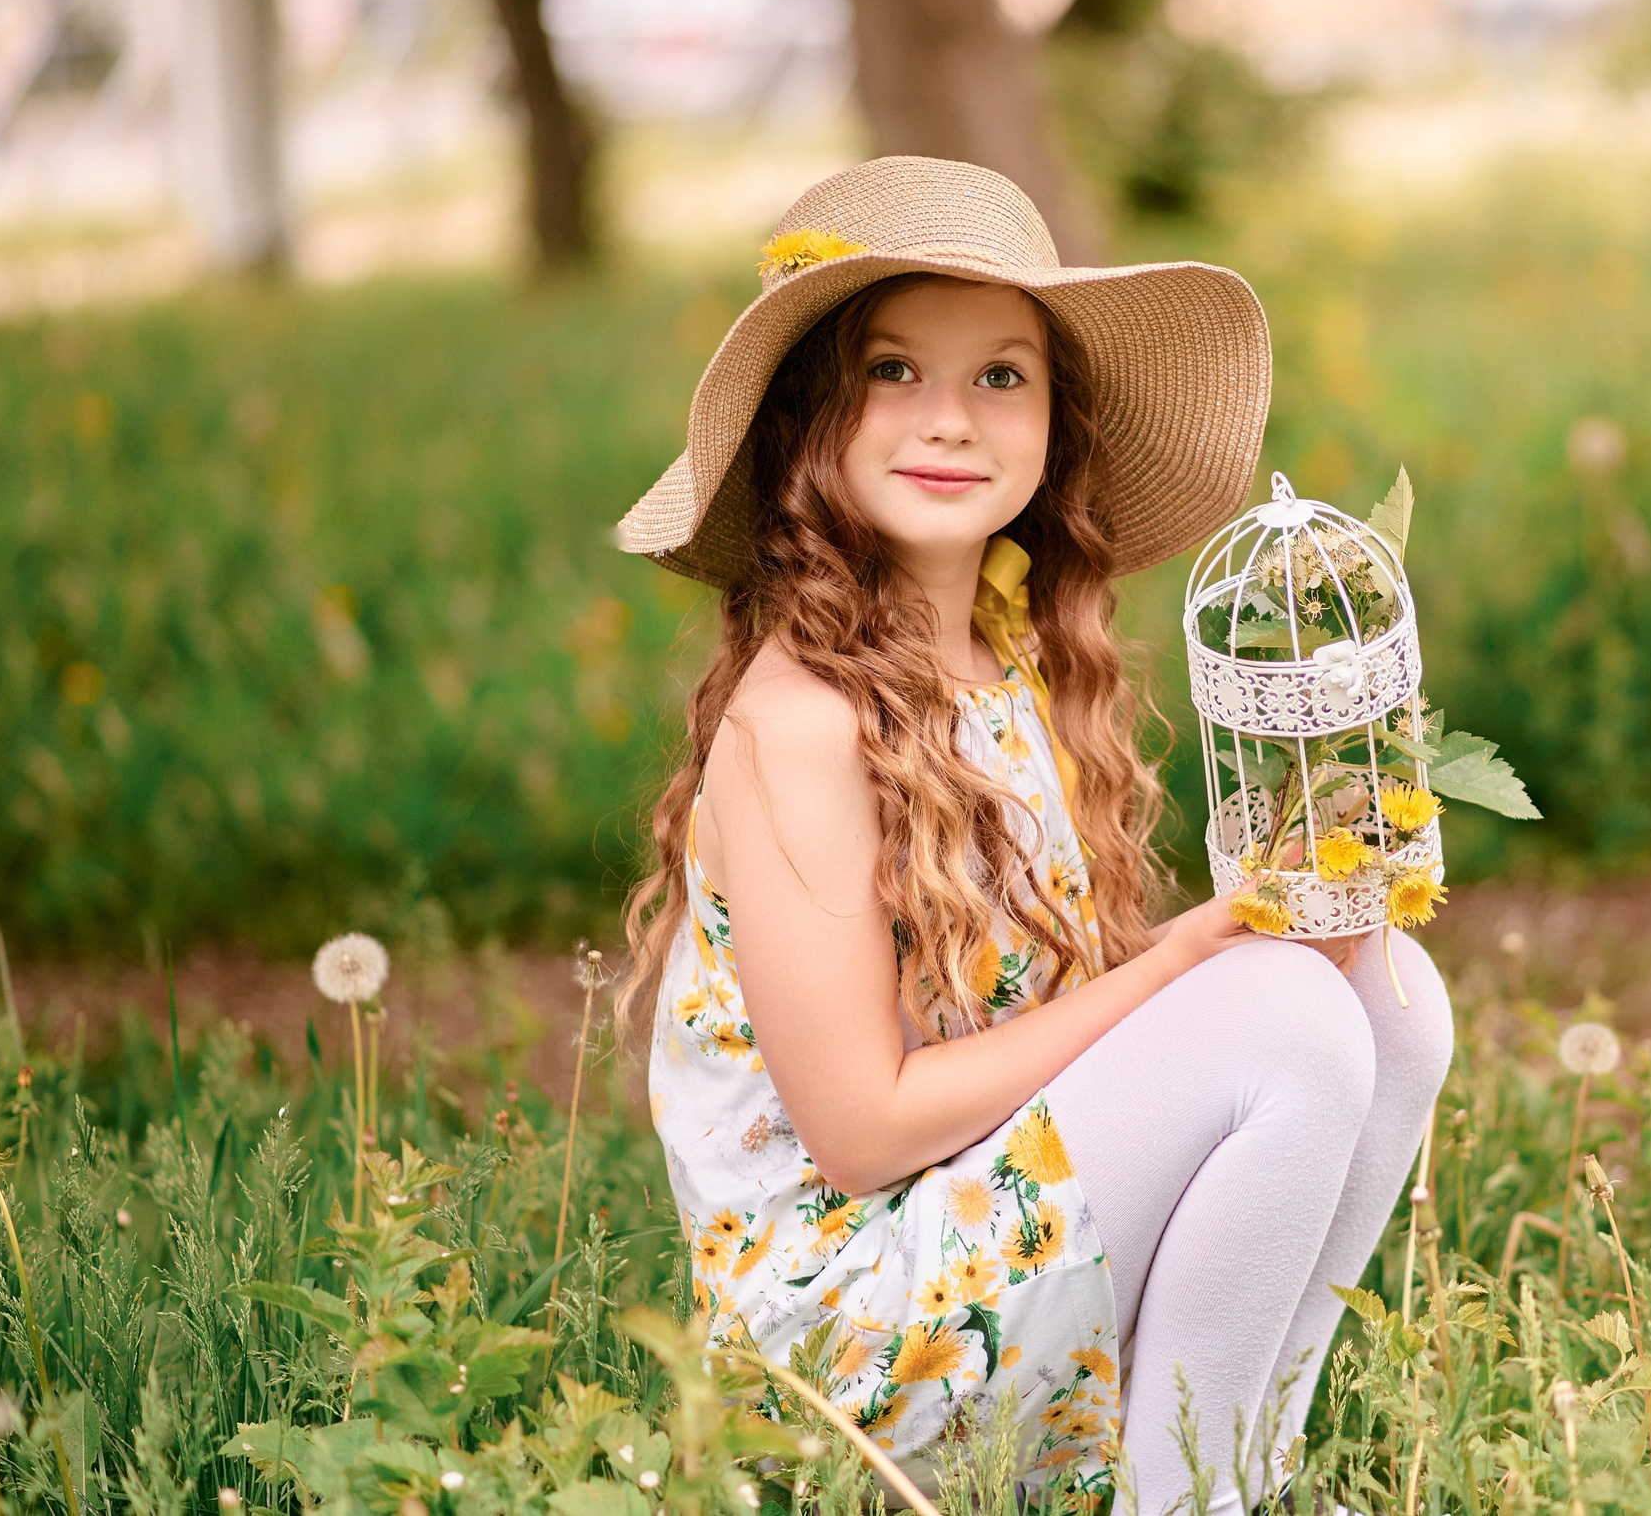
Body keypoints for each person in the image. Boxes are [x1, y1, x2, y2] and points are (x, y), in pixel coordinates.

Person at [615, 156, 1451, 1513]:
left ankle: (1232, 1462)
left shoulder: (1015, 662)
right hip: (848, 1345)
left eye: (1001, 376)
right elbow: (864, 1131)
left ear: (1053, 425)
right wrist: (1185, 961)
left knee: (1387, 996)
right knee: (1285, 1014)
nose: (950, 419)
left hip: (974, 1229)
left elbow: (1053, 1023)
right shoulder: (801, 722)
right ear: (807, 419)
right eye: (894, 370)